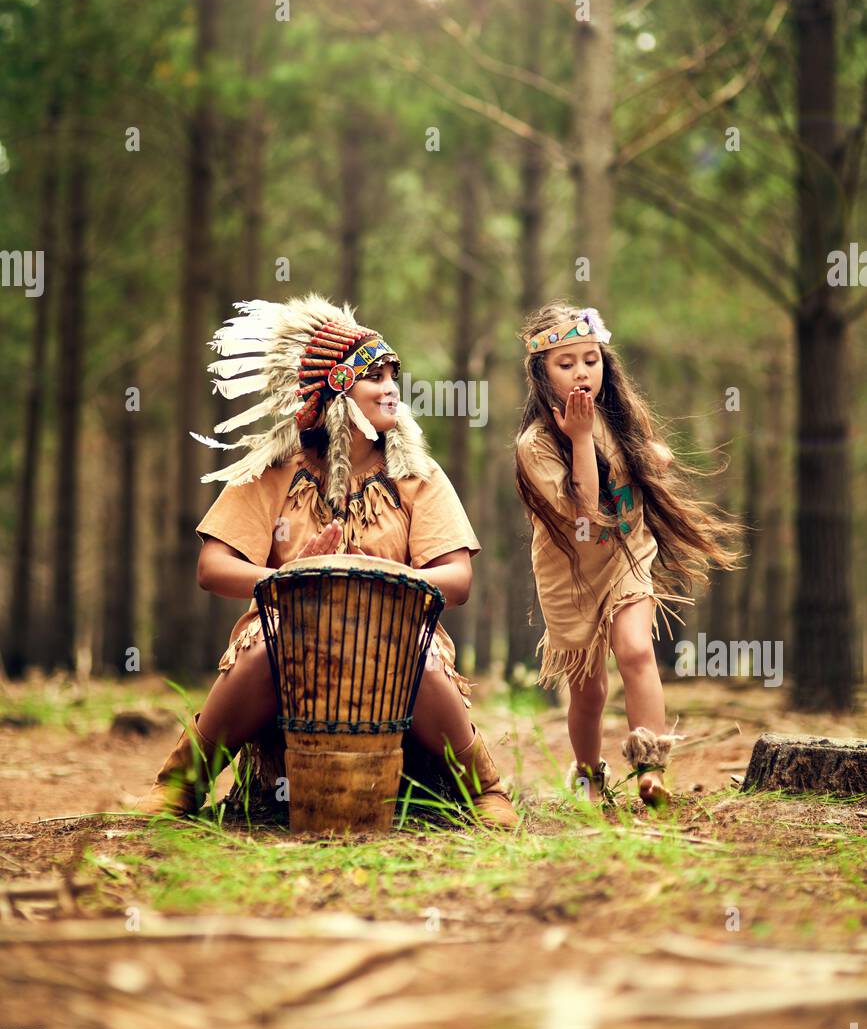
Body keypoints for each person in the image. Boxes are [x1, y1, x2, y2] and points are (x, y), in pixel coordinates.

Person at [139, 292, 518, 830]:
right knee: (262, 651)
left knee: (417, 655)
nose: (392, 388)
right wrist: (290, 580)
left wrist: (387, 580)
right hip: (288, 634)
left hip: (396, 636)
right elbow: (213, 566)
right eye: (375, 376)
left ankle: (486, 790)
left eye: (394, 374)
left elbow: (457, 580)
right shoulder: (274, 471)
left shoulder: (419, 476)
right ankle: (180, 784)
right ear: (336, 391)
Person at [514, 302, 742, 807]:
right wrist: (577, 439)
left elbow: (647, 455)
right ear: (540, 373)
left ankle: (652, 767)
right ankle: (589, 777)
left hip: (625, 553)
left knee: (636, 651)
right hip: (569, 571)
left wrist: (651, 458)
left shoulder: (617, 415)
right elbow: (586, 511)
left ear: (604, 362)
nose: (581, 372)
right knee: (589, 690)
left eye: (590, 359)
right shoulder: (535, 445)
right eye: (565, 362)